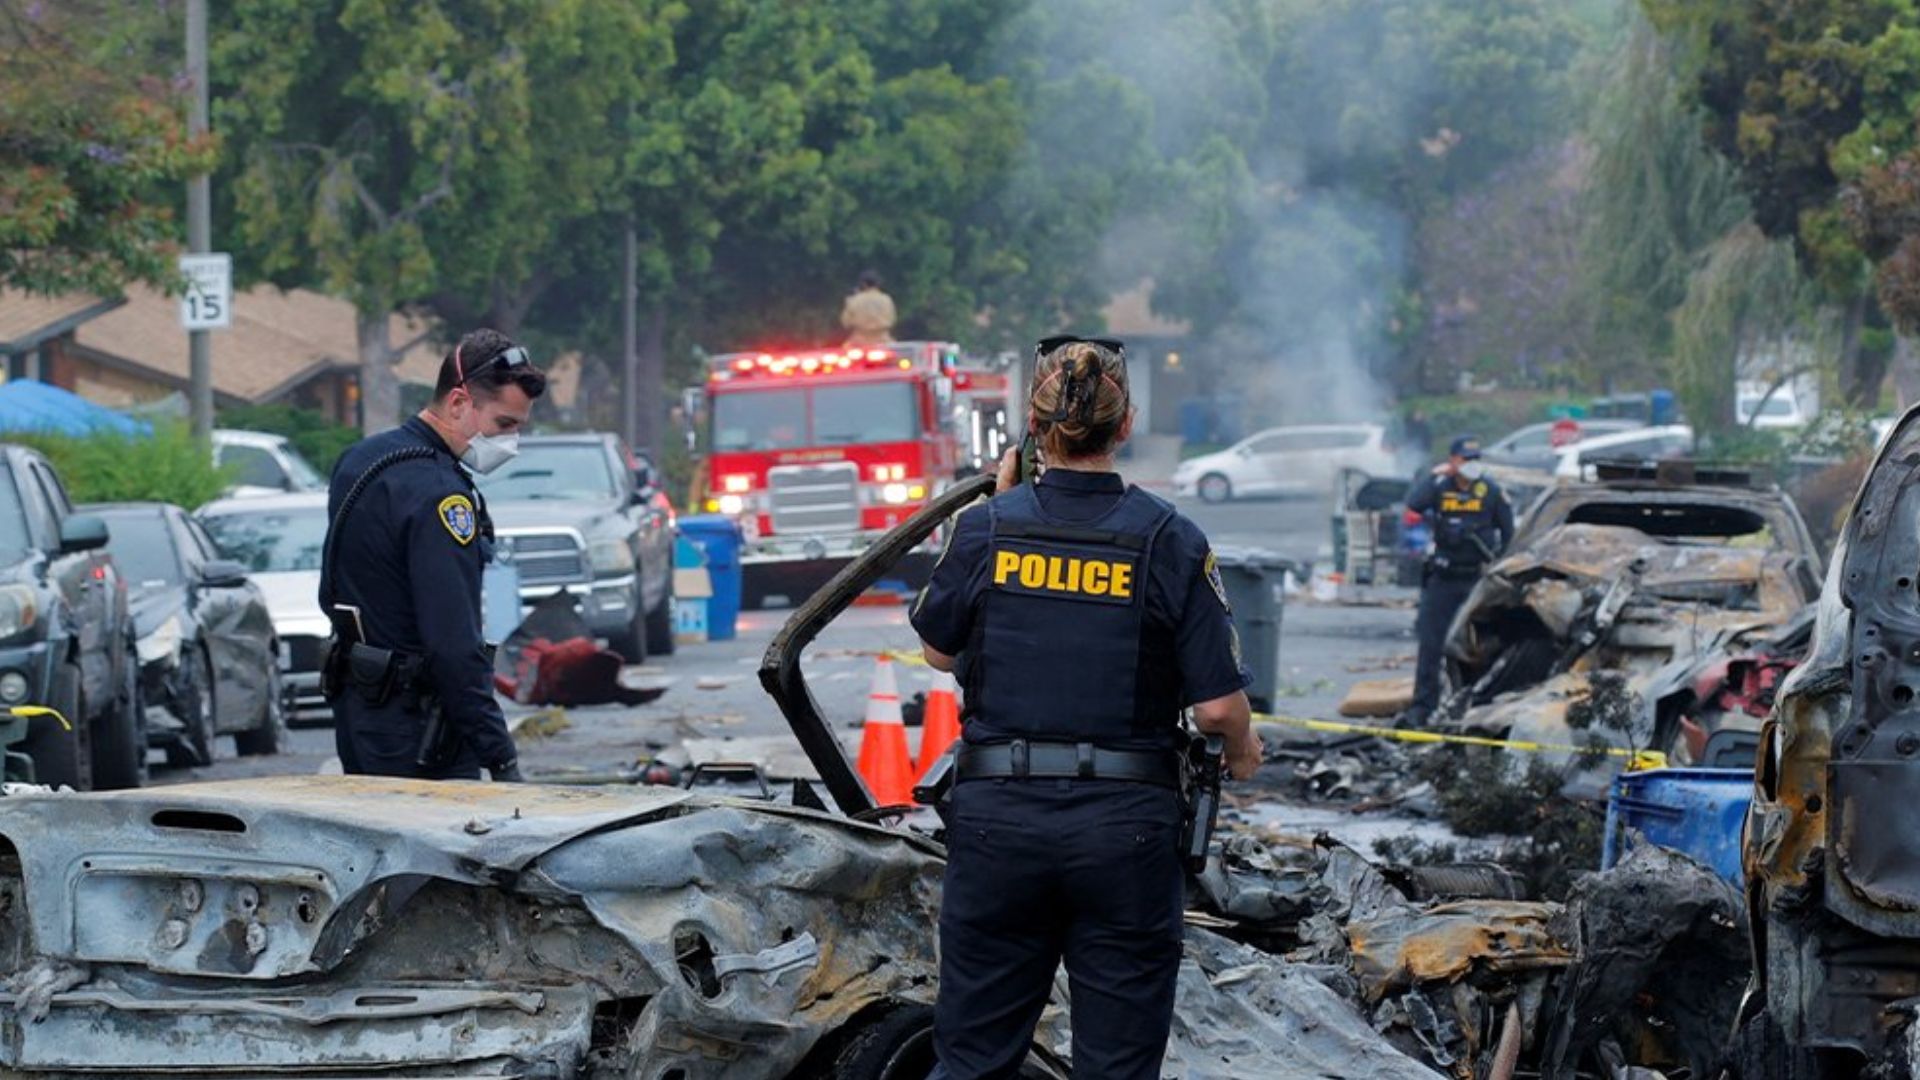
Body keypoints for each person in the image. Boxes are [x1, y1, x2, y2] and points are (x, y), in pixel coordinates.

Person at [911, 336, 1262, 1080]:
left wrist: (1002, 501)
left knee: (972, 1058)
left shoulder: (986, 528)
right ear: (1125, 424)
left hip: (997, 822)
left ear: (1035, 428)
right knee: (1117, 1065)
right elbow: (1218, 711)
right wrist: (1244, 752)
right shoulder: (1169, 538)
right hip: (1125, 833)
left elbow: (939, 653)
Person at [319, 328, 548, 780]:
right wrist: (499, 755)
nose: (511, 443)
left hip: (360, 716)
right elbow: (452, 645)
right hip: (420, 731)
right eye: (504, 424)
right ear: (460, 402)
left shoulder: (360, 460)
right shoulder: (440, 496)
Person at [1401, 435, 1513, 728]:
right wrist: (1435, 476)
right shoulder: (1440, 487)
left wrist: (1498, 566)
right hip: (1443, 578)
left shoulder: (1489, 490)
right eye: (1466, 459)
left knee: (1478, 646)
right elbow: (1414, 503)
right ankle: (1423, 707)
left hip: (1476, 579)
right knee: (1431, 645)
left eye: (1476, 459)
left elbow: (1509, 533)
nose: (1472, 465)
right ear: (1453, 461)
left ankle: (1475, 706)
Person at [840, 269, 897, 347]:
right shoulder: (886, 299)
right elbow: (892, 319)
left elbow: (845, 323)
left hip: (859, 340)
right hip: (883, 339)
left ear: (863, 284)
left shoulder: (854, 300)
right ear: (878, 284)